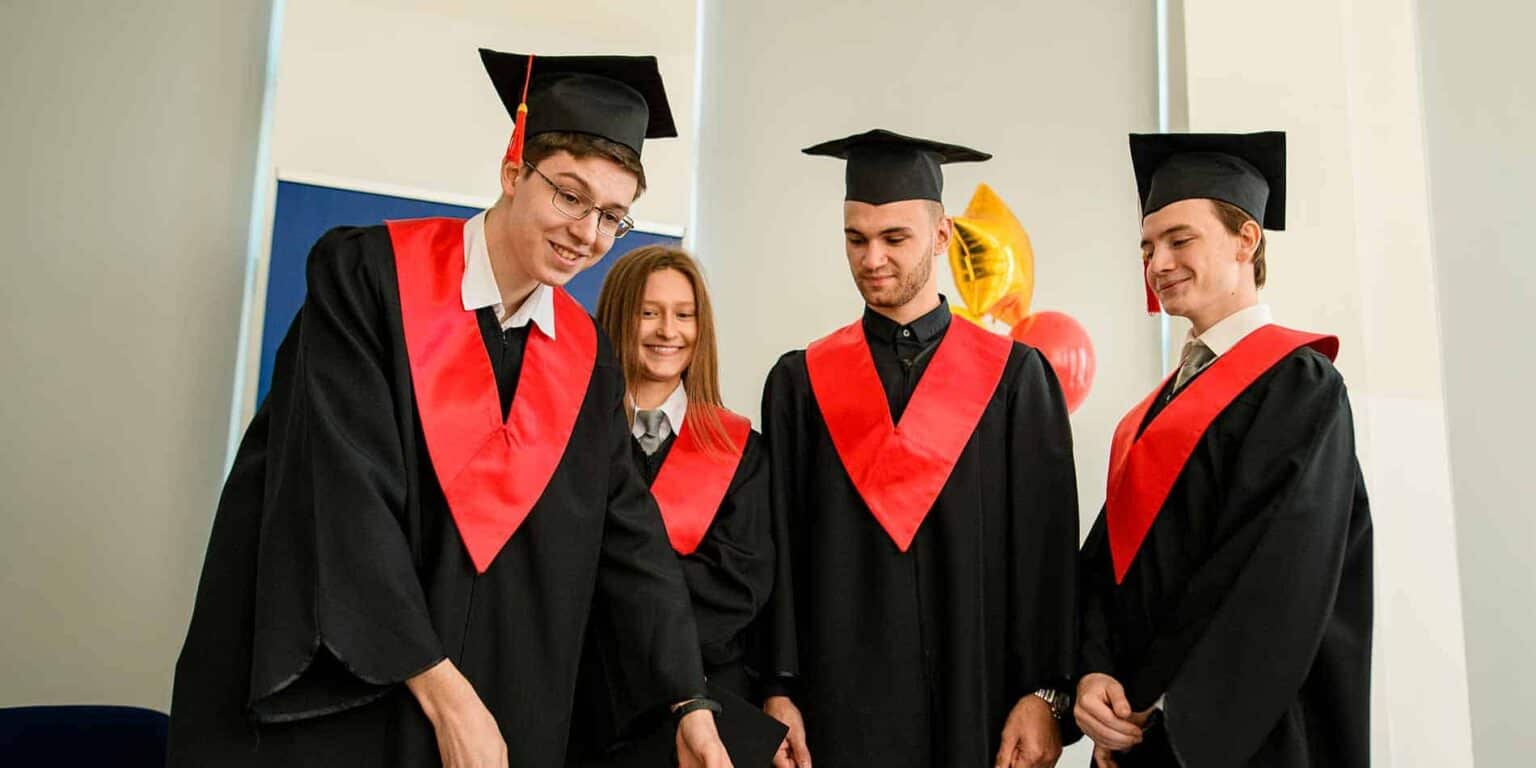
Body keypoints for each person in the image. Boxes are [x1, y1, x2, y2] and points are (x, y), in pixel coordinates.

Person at [167, 49, 731, 768]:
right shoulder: (368, 280)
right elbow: (339, 495)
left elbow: (629, 539)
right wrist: (442, 690)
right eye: (569, 195)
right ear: (511, 169)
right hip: (350, 703)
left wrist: (688, 700)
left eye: (614, 216)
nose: (587, 234)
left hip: (494, 714)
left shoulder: (586, 361)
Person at [757, 129, 1081, 768]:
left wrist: (1044, 693)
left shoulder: (1015, 379)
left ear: (940, 237)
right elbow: (781, 552)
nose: (871, 258)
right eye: (855, 239)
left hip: (979, 699)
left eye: (894, 238)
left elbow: (1047, 555)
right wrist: (776, 687)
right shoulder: (800, 383)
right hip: (836, 705)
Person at [1074, 131, 1373, 767]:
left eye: (1180, 240)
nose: (1158, 263)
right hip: (1138, 729)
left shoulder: (1298, 384)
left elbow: (1270, 571)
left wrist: (1160, 698)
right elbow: (1111, 561)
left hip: (1243, 738)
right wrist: (1094, 672)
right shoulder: (1153, 411)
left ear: (1246, 240)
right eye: (1148, 247)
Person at [566, 246, 787, 767]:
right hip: (583, 710)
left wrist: (621, 617)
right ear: (620, 317)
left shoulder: (740, 452)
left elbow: (740, 584)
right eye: (649, 312)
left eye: (684, 315)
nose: (669, 331)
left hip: (710, 700)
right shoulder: (571, 438)